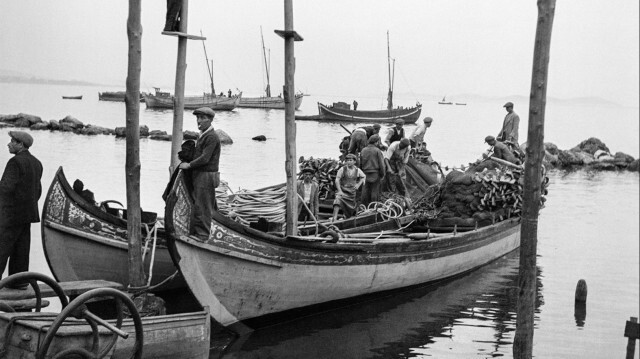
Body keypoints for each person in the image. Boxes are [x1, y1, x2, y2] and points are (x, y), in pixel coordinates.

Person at [0, 131, 43, 286]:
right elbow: (37, 191)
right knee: (21, 251)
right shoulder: (37, 163)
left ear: (20, 144)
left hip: (10, 215)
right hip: (27, 215)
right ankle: (19, 283)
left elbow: (5, 189)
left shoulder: (15, 162)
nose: (8, 144)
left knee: (2, 248)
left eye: (12, 141)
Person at [178, 107, 221, 237]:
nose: (199, 121)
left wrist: (189, 165)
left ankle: (202, 235)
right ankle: (215, 229)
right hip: (200, 175)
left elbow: (205, 158)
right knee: (207, 204)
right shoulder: (203, 135)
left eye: (202, 118)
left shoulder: (211, 137)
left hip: (206, 175)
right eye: (197, 118)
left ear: (210, 120)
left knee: (203, 206)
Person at [332, 154, 365, 221]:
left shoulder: (357, 170)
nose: (349, 162)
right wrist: (339, 190)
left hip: (351, 193)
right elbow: (337, 180)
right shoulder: (342, 169)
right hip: (343, 191)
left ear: (354, 161)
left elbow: (363, 177)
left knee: (349, 211)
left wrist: (358, 184)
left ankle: (346, 218)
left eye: (350, 160)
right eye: (347, 160)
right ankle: (334, 218)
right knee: (337, 200)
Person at [359, 135, 386, 206]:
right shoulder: (377, 151)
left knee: (365, 191)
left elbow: (360, 164)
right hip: (375, 173)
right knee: (375, 191)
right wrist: (382, 174)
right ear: (376, 142)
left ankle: (363, 206)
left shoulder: (363, 150)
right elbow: (382, 165)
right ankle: (374, 207)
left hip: (365, 173)